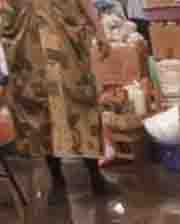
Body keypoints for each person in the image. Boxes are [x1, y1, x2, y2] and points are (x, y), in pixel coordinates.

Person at [0, 0, 115, 205]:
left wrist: (100, 31)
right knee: (37, 111)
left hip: (66, 43)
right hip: (27, 45)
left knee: (81, 105)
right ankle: (56, 178)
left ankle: (94, 175)